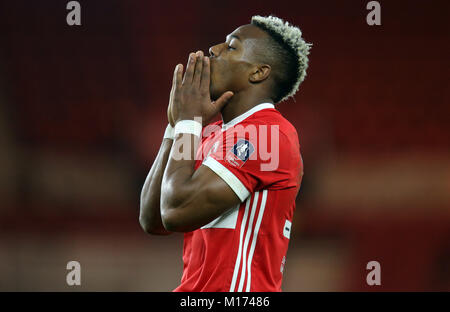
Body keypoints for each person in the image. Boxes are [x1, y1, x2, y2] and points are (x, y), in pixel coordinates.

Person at [139, 15, 311, 292]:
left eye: (232, 46)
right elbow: (154, 219)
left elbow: (175, 211)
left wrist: (187, 124)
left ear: (258, 73)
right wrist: (175, 128)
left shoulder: (268, 136)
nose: (214, 49)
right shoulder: (209, 132)